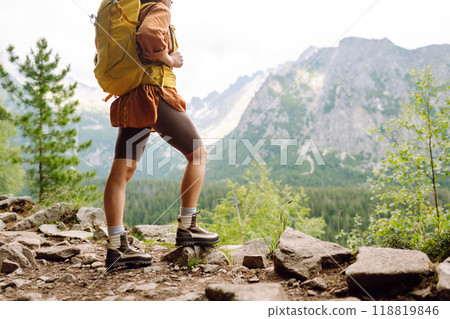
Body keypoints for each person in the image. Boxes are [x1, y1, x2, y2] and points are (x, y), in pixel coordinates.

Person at [103, 0, 219, 269]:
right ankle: (188, 227)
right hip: (153, 93)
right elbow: (149, 35)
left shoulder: (133, 11)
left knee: (121, 172)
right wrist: (168, 59)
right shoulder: (159, 8)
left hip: (134, 96)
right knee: (198, 154)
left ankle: (116, 246)